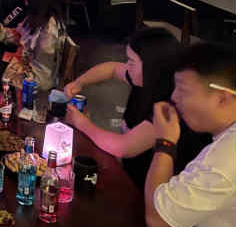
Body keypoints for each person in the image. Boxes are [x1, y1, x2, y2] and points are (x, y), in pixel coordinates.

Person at [63, 28, 212, 188]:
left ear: (152, 66)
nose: (127, 66)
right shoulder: (145, 78)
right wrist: (79, 82)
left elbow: (123, 147)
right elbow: (112, 69)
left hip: (150, 188)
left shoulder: (168, 106)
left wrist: (81, 123)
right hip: (130, 171)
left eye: (132, 62)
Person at [144, 43, 235, 227]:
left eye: (183, 90)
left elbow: (158, 221)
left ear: (222, 98)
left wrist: (165, 143)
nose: (174, 97)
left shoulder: (225, 158)